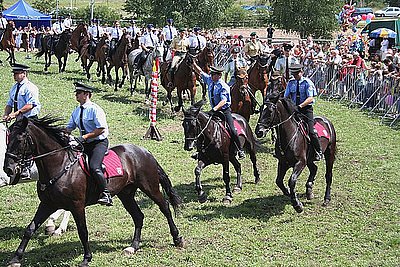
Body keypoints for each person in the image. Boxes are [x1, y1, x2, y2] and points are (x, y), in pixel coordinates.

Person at [66, 82, 112, 206]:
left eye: (79, 93)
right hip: (84, 143)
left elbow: (101, 128)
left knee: (94, 167)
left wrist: (83, 137)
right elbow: (69, 127)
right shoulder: (76, 111)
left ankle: (106, 193)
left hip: (98, 143)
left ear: (86, 94)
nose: (76, 95)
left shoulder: (95, 110)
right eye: (76, 93)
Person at [192, 64, 246, 160]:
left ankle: (240, 149)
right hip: (214, 110)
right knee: (202, 126)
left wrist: (215, 109)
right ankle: (199, 150)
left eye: (214, 74)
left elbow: (223, 101)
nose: (212, 76)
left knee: (232, 129)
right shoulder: (210, 80)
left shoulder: (223, 86)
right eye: (212, 74)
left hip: (224, 111)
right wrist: (193, 63)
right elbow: (200, 71)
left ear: (219, 75)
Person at [284, 64, 323, 161]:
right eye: (294, 74)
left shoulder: (307, 83)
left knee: (311, 131)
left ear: (301, 72)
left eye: (297, 73)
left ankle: (319, 151)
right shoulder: (291, 83)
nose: (295, 76)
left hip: (305, 110)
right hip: (294, 109)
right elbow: (286, 96)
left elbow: (310, 98)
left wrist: (300, 106)